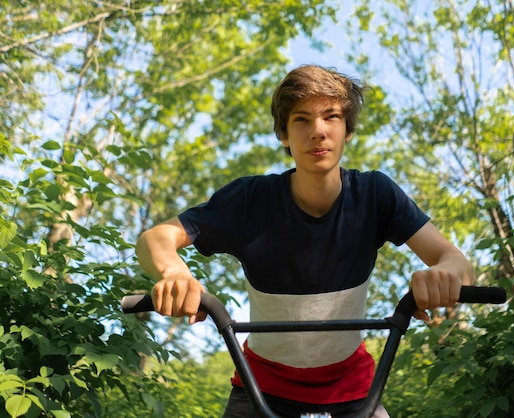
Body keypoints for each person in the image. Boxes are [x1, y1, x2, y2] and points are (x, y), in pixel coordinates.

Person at [135, 64, 476, 417]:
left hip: (353, 390)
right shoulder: (251, 200)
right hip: (261, 390)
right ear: (283, 134)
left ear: (348, 131)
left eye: (331, 116)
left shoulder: (375, 195)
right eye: (301, 119)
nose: (318, 131)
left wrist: (444, 274)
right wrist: (176, 274)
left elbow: (455, 260)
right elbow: (155, 238)